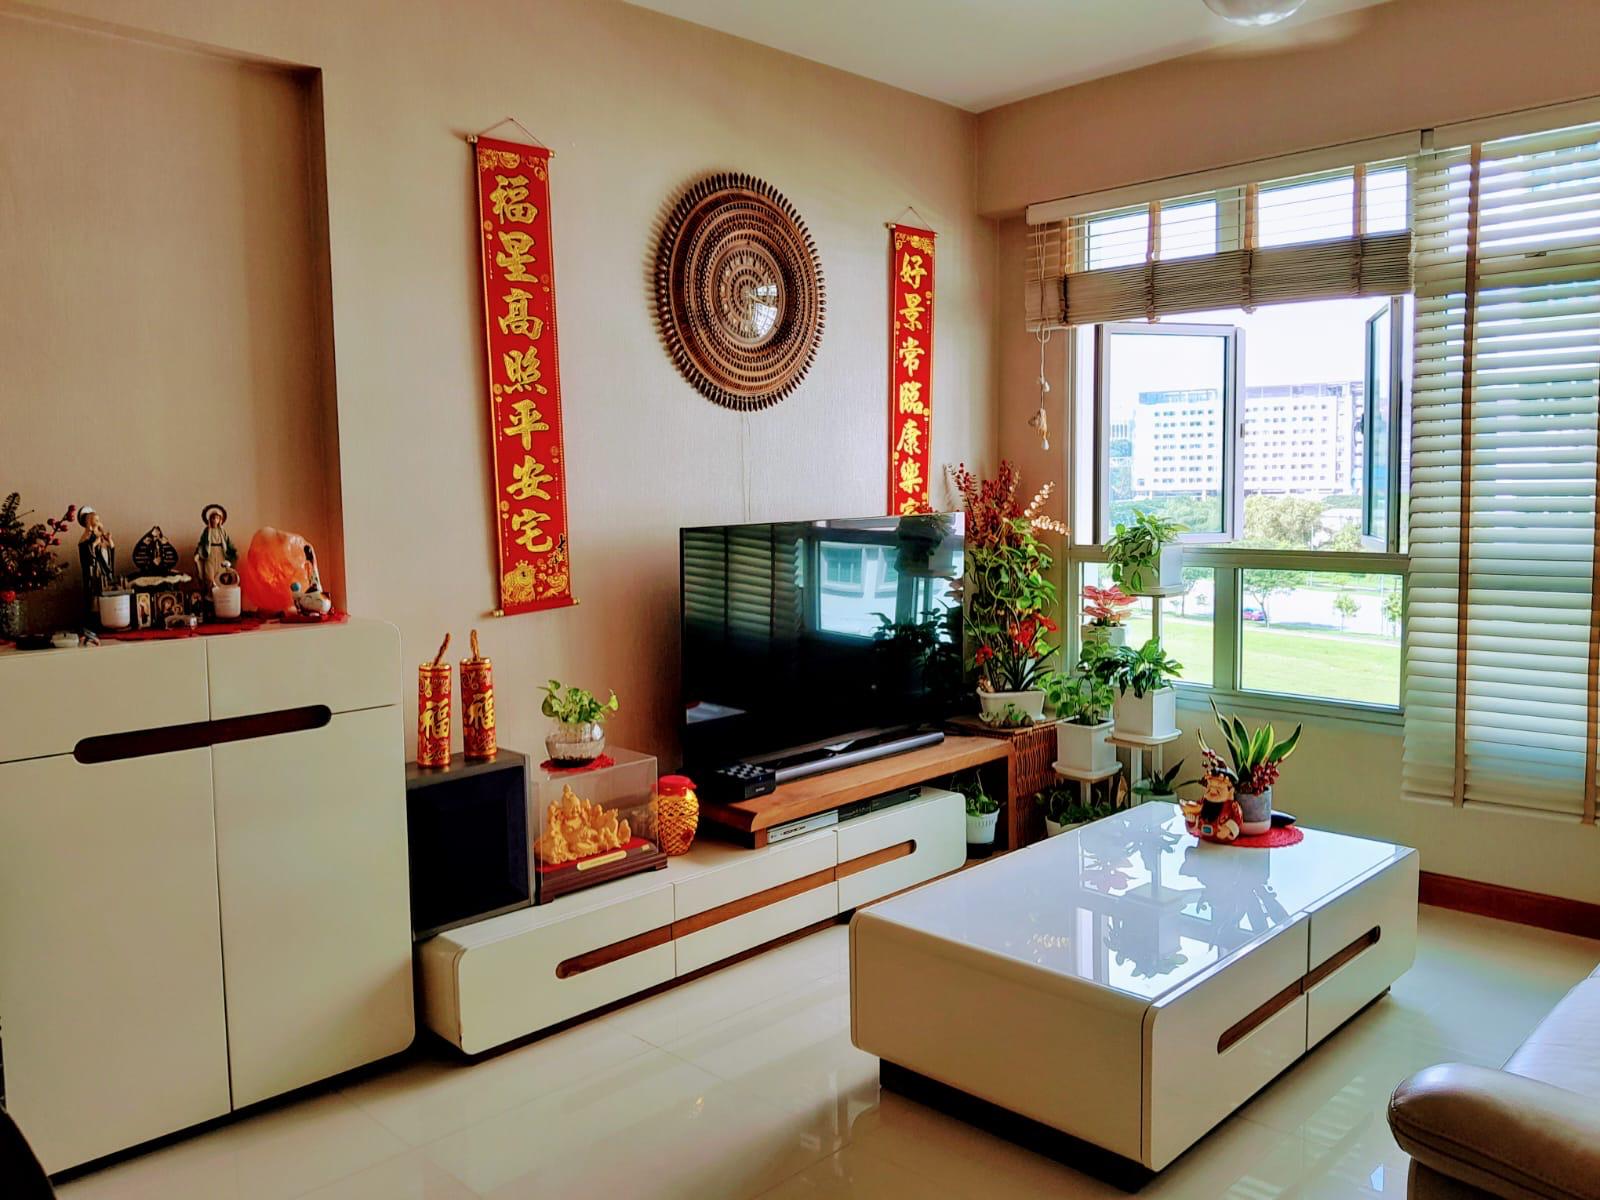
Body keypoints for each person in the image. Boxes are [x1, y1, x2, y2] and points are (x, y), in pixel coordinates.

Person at [77, 505, 115, 613]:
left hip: (103, 569)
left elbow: (110, 550)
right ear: (89, 521)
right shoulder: (86, 537)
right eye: (95, 519)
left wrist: (109, 541)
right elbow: (84, 550)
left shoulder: (100, 535)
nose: (98, 521)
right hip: (94, 571)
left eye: (98, 519)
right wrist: (94, 544)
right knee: (94, 596)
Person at [194, 503, 237, 590]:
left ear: (220, 520)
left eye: (217, 518)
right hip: (210, 553)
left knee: (220, 573)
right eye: (213, 518)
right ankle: (209, 592)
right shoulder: (207, 531)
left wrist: (232, 553)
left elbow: (228, 543)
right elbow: (202, 543)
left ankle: (219, 592)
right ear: (210, 519)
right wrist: (198, 553)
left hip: (221, 552)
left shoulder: (222, 531)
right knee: (209, 575)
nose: (215, 520)